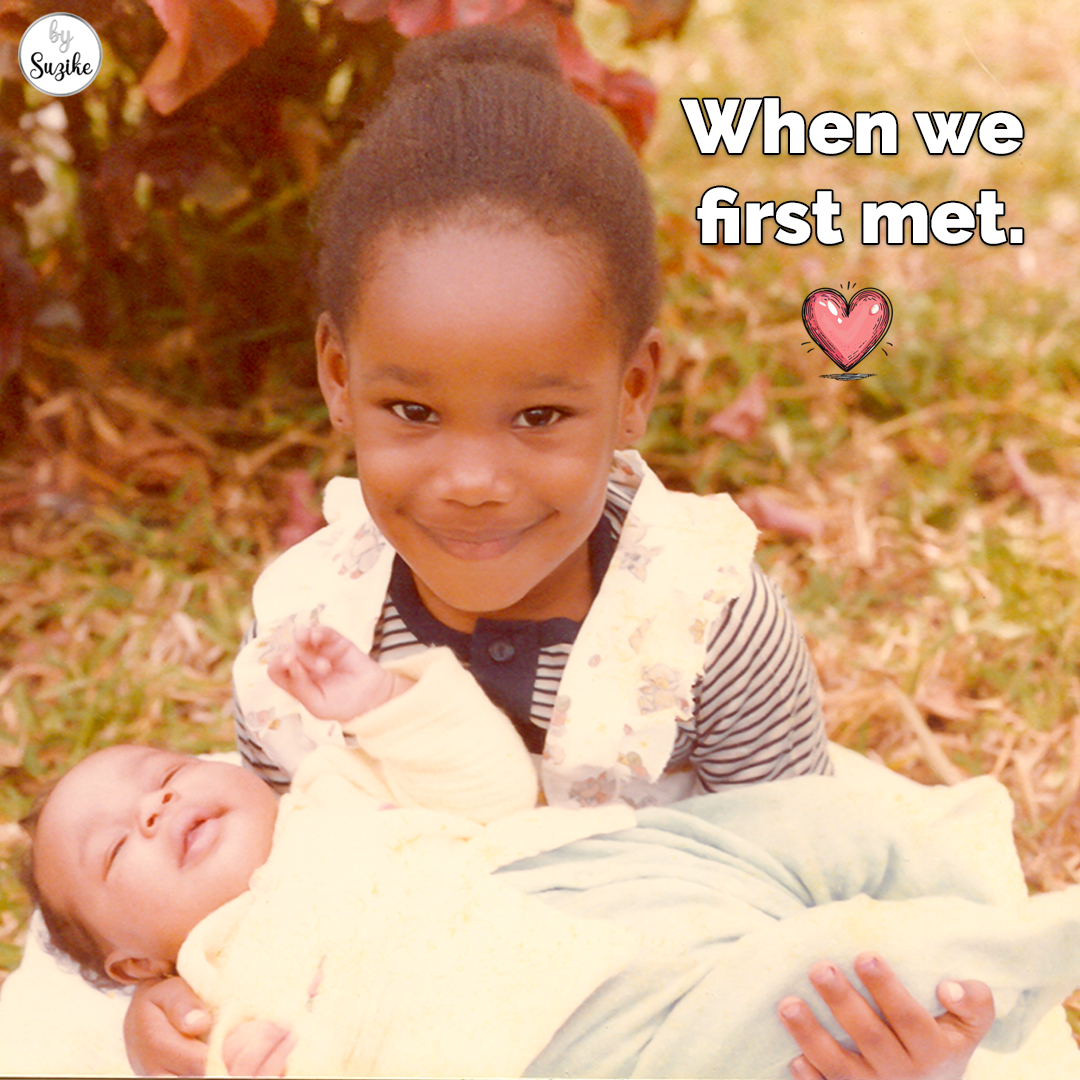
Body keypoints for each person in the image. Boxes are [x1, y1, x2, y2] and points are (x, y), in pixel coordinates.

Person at [124, 25, 996, 1077]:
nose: (474, 478)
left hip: (660, 1007)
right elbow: (271, 875)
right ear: (336, 375)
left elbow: (796, 871)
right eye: (412, 409)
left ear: (632, 390)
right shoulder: (312, 624)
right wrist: (183, 1001)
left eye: (539, 416)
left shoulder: (697, 620)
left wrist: (856, 1033)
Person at [24, 625, 1077, 1079]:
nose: (158, 811)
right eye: (121, 849)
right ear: (133, 961)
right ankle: (1023, 950)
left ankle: (960, 887)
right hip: (549, 1042)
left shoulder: (334, 792)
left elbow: (484, 787)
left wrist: (382, 706)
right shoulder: (217, 991)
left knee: (821, 823)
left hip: (596, 883)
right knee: (809, 979)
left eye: (164, 774)